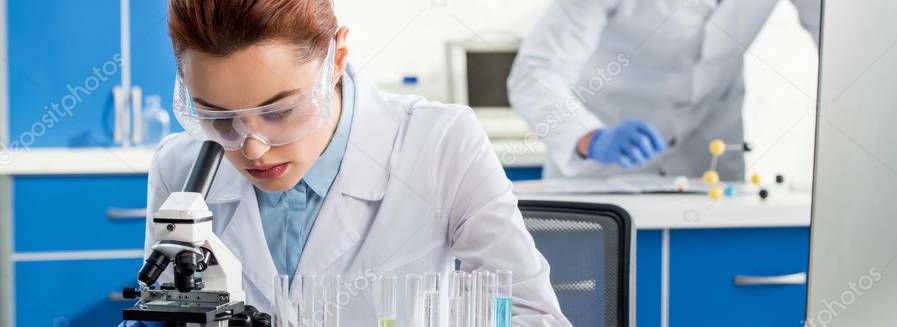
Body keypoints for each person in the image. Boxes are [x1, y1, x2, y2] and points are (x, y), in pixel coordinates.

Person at [121, 0, 568, 325]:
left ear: (336, 58)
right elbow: (165, 309)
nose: (253, 148)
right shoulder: (180, 169)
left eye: (279, 111)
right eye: (219, 118)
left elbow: (535, 316)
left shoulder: (439, 143)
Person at [508, 0, 819, 179]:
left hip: (711, 170)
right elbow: (535, 71)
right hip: (604, 174)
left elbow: (843, 39)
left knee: (710, 284)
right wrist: (590, 137)